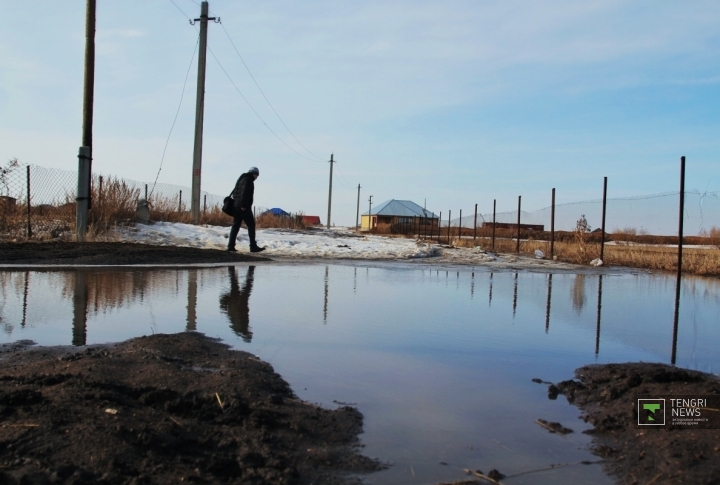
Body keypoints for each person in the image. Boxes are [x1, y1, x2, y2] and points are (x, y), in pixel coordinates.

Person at [228, 166, 265, 253]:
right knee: (251, 225)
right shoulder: (248, 180)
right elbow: (245, 192)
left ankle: (230, 246)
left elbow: (236, 193)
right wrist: (244, 205)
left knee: (236, 225)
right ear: (254, 174)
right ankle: (253, 246)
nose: (256, 178)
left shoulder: (241, 179)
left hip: (236, 206)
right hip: (243, 206)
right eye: (257, 176)